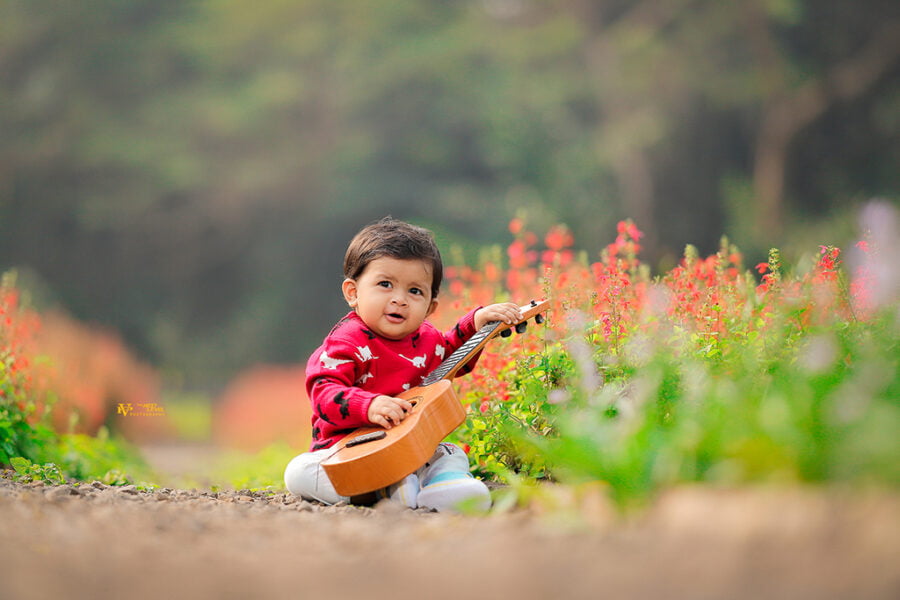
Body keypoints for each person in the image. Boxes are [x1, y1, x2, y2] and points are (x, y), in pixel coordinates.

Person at [284, 217, 522, 512]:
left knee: (450, 453)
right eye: (385, 284)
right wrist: (369, 405)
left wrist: (476, 324)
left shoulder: (428, 339)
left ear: (430, 307)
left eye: (415, 291)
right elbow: (323, 393)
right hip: (347, 452)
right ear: (353, 292)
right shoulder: (346, 342)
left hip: (410, 450)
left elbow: (450, 360)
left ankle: (445, 486)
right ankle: (381, 487)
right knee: (298, 472)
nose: (399, 299)